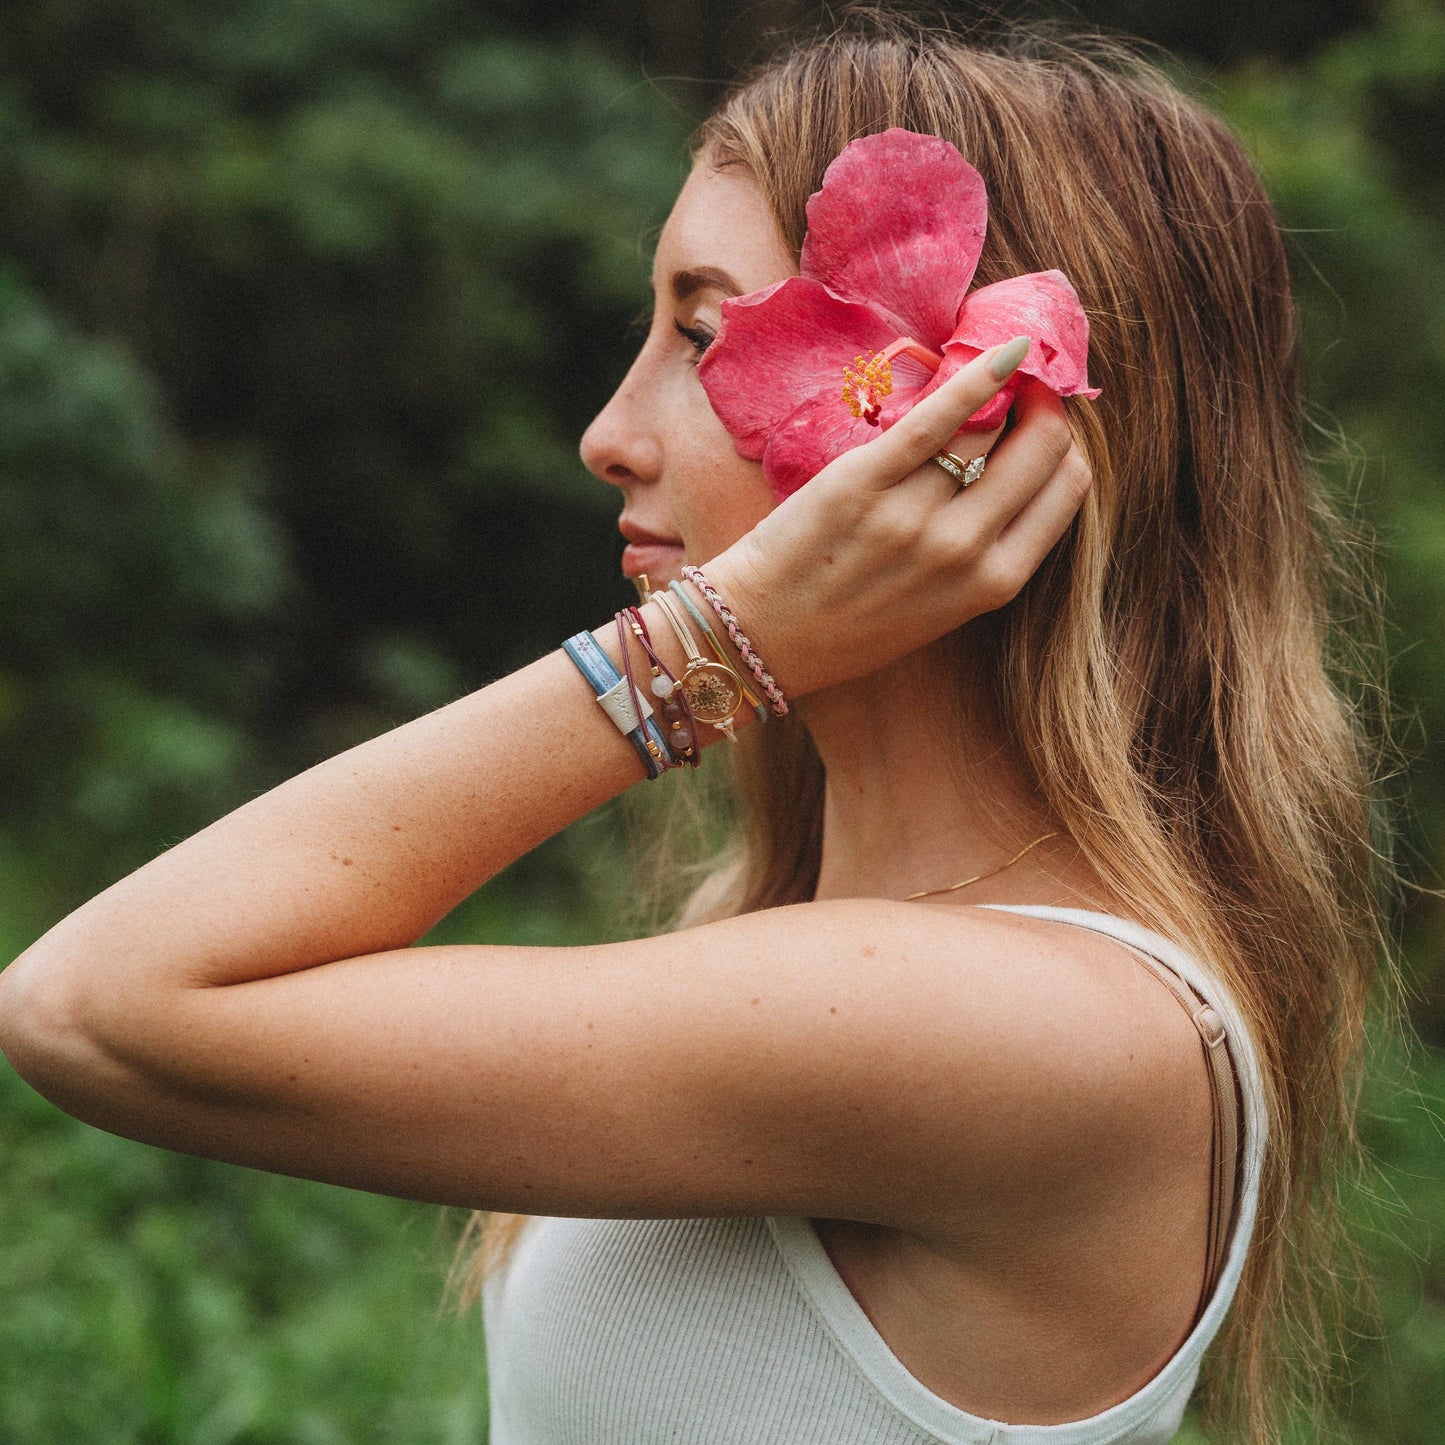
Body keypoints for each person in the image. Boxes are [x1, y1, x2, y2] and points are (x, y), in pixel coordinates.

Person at [0, 10, 1392, 1443]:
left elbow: (94, 1007)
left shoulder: (1041, 1024)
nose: (610, 429)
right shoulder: (822, 933)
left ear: (968, 430)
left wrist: (698, 655)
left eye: (705, 333)